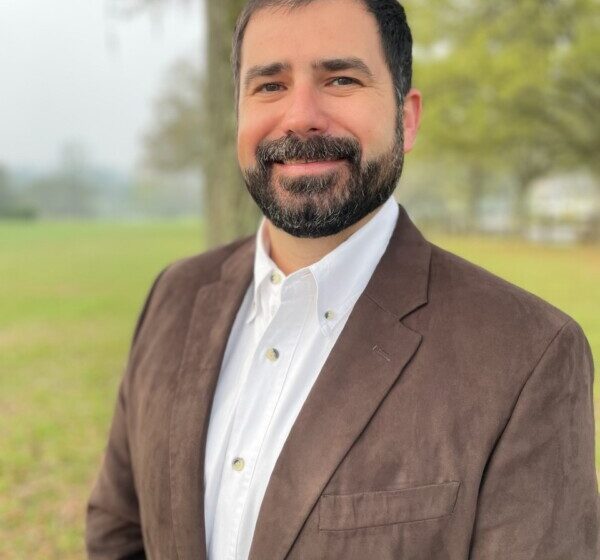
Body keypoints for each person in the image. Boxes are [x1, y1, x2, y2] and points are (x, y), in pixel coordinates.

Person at [85, 0, 599, 558]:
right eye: (269, 86)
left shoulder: (528, 354)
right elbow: (119, 532)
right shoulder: (175, 296)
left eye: (341, 78)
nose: (301, 114)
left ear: (407, 117)